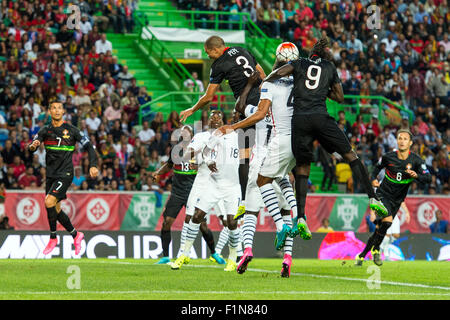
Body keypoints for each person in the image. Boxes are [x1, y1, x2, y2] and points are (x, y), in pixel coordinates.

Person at [262, 37, 388, 239]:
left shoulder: (298, 63)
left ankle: (301, 217)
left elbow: (281, 72)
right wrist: (323, 88)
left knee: (302, 167)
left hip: (300, 120)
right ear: (325, 56)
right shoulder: (329, 67)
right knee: (350, 155)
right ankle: (373, 198)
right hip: (321, 118)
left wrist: (267, 79)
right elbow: (339, 97)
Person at [217, 44, 300, 277]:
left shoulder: (264, 100)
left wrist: (251, 85)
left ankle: (247, 251)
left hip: (262, 157)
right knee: (286, 210)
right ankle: (287, 258)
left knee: (251, 211)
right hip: (285, 153)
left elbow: (241, 107)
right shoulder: (291, 102)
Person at [179, 36, 266, 218]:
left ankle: (243, 201)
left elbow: (209, 96)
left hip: (245, 105)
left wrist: (192, 108)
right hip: (264, 99)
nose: (207, 54)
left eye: (207, 51)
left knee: (245, 156)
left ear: (216, 49)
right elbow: (261, 73)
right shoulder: (242, 50)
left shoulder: (219, 64)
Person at [172, 115, 241, 272]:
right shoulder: (207, 136)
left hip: (232, 186)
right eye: (212, 117)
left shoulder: (237, 136)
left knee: (231, 222)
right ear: (207, 121)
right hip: (212, 184)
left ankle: (233, 257)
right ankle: (184, 254)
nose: (216, 119)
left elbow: (245, 161)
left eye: (219, 117)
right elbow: (203, 152)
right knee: (195, 216)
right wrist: (207, 160)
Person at [28, 101, 99, 256]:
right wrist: (33, 146)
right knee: (55, 209)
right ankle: (76, 235)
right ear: (49, 111)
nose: (57, 110)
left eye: (59, 108)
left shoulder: (72, 130)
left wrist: (93, 165)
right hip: (51, 175)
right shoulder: (45, 130)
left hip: (65, 174)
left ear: (63, 111)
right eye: (54, 108)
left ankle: (53, 238)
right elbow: (33, 143)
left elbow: (89, 146)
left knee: (48, 201)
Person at [355, 129, 431, 266]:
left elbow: (428, 178)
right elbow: (376, 169)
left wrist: (417, 176)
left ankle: (363, 255)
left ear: (410, 143)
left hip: (397, 200)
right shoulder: (388, 157)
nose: (402, 141)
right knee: (388, 220)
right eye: (400, 138)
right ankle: (375, 250)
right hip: (383, 194)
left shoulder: (417, 161)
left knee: (382, 228)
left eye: (405, 139)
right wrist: (373, 179)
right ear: (397, 141)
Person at [151, 125, 217, 265]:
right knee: (166, 222)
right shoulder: (176, 150)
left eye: (187, 131)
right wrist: (158, 172)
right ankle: (166, 256)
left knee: (202, 225)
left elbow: (205, 166)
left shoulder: (198, 148)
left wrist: (198, 166)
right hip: (177, 192)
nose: (185, 133)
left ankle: (214, 253)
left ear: (192, 135)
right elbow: (169, 165)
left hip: (193, 191)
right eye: (183, 131)